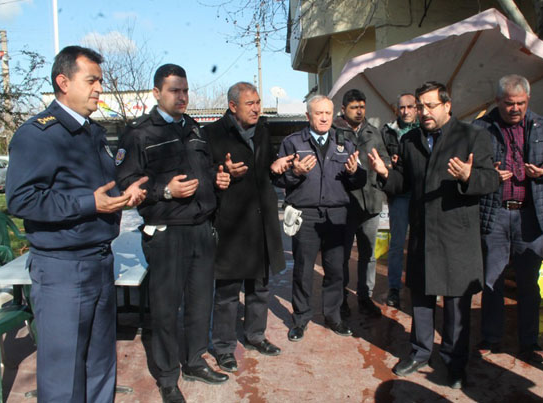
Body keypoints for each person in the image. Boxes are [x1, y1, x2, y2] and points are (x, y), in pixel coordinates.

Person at [6, 45, 148, 402]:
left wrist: (122, 196)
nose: (99, 87)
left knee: (100, 366)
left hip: (100, 261)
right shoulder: (39, 135)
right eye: (91, 80)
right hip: (62, 271)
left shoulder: (93, 134)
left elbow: (99, 189)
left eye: (100, 80)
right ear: (63, 82)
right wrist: (91, 203)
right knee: (63, 374)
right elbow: (21, 199)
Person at [368, 81, 499, 389]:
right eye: (419, 106)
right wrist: (386, 174)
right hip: (423, 233)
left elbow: (491, 179)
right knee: (422, 299)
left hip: (457, 236)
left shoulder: (472, 136)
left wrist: (469, 176)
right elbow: (404, 183)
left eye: (429, 106)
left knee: (456, 305)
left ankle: (455, 362)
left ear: (447, 105)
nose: (423, 112)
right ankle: (420, 351)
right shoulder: (411, 139)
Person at [116, 64, 229, 403]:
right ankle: (167, 377)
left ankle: (194, 361)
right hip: (166, 234)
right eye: (174, 90)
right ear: (156, 93)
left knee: (200, 303)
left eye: (185, 90)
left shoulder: (194, 129)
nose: (182, 96)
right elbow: (126, 184)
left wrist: (219, 179)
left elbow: (205, 170)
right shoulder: (139, 135)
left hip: (201, 230)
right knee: (166, 309)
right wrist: (165, 191)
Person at [473, 74, 543, 363]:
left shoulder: (542, 126)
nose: (515, 109)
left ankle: (529, 343)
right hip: (496, 214)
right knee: (491, 282)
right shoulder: (481, 128)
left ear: (528, 101)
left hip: (530, 215)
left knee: (529, 283)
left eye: (521, 104)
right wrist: (488, 176)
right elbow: (468, 169)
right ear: (498, 101)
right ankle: (491, 337)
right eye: (509, 104)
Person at [203, 82, 293, 372]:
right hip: (232, 225)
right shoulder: (212, 135)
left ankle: (255, 335)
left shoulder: (264, 131)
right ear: (233, 107)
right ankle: (224, 347)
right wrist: (221, 172)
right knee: (228, 292)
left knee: (260, 287)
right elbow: (203, 176)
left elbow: (265, 169)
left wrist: (275, 168)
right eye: (250, 104)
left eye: (258, 102)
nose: (256, 108)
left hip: (262, 223)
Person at [275, 95, 366, 341]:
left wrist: (354, 172)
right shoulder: (293, 143)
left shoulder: (344, 141)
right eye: (318, 113)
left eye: (328, 112)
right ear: (308, 116)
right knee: (303, 269)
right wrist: (295, 172)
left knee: (336, 269)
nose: (324, 117)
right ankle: (301, 319)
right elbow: (278, 179)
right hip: (305, 216)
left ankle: (333, 316)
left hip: (337, 216)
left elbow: (358, 181)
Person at [333, 89, 390, 318]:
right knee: (343, 255)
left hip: (371, 203)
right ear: (344, 109)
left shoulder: (373, 132)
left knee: (369, 254)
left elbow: (384, 159)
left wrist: (384, 166)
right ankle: (342, 299)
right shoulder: (334, 132)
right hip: (345, 204)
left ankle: (365, 297)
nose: (359, 111)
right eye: (354, 107)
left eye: (362, 107)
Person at [380, 93, 419, 308]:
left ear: (417, 108)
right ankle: (394, 288)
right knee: (396, 244)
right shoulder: (388, 131)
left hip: (421, 194)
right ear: (397, 109)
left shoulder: (426, 130)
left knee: (421, 242)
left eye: (410, 107)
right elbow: (381, 156)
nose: (405, 111)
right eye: (402, 107)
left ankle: (421, 284)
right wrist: (389, 163)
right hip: (399, 195)